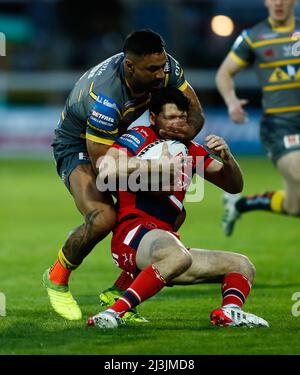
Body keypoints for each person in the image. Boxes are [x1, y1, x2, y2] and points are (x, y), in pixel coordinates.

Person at [43, 29, 205, 322]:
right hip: (80, 145)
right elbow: (105, 169)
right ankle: (57, 277)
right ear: (130, 67)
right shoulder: (106, 97)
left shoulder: (166, 67)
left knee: (170, 212)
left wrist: (175, 142)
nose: (160, 75)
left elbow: (195, 114)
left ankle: (119, 293)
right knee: (103, 217)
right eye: (152, 69)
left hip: (120, 138)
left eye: (162, 66)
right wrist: (155, 170)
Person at [87, 87, 269, 328]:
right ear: (154, 118)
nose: (177, 123)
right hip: (133, 234)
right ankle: (111, 314)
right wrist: (156, 167)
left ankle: (229, 312)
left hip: (167, 244)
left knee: (242, 264)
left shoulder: (190, 148)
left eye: (182, 118)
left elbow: (234, 185)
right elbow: (106, 170)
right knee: (177, 254)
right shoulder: (139, 136)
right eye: (170, 117)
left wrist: (227, 158)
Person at [216, 0, 300, 236]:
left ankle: (238, 204)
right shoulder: (254, 37)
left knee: (295, 206)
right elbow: (224, 73)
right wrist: (232, 102)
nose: (279, 3)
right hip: (279, 127)